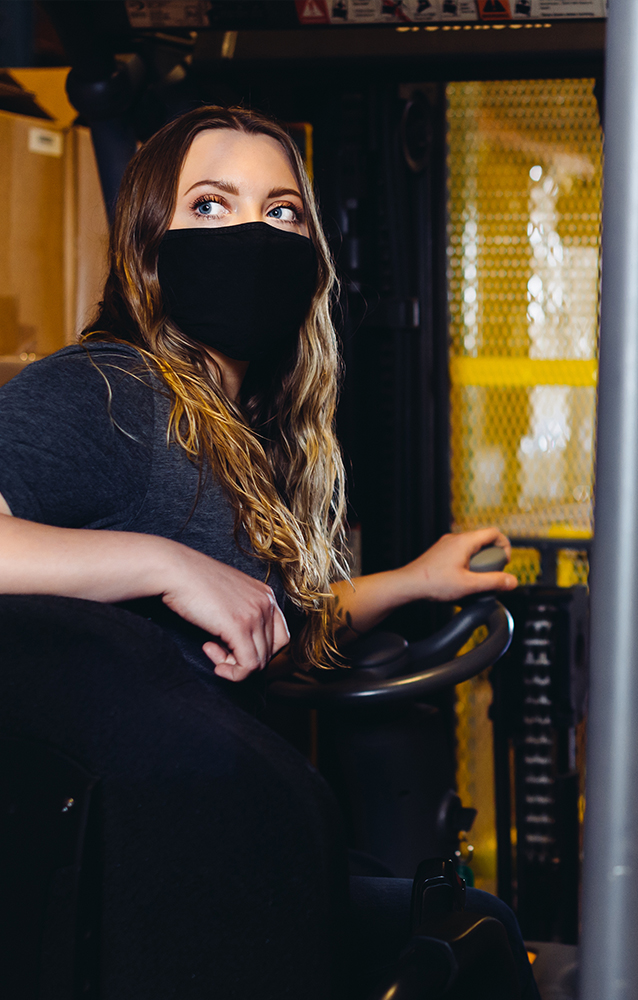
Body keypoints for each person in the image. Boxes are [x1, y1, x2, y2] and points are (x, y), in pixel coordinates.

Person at [0, 105, 533, 999]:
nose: (254, 233)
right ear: (147, 244)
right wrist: (165, 566)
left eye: (282, 211)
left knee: (467, 927)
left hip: (216, 859)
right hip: (149, 891)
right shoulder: (106, 391)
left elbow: (267, 615)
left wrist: (409, 583)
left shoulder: (229, 433)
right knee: (477, 936)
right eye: (211, 205)